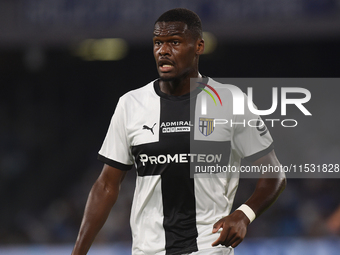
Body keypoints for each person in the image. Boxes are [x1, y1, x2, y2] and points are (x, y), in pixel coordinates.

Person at [71, 8, 286, 255]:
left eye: (174, 42)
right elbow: (106, 186)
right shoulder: (131, 104)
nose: (163, 50)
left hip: (209, 248)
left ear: (198, 46)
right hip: (148, 251)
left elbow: (274, 174)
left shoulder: (230, 100)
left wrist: (244, 215)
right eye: (157, 43)